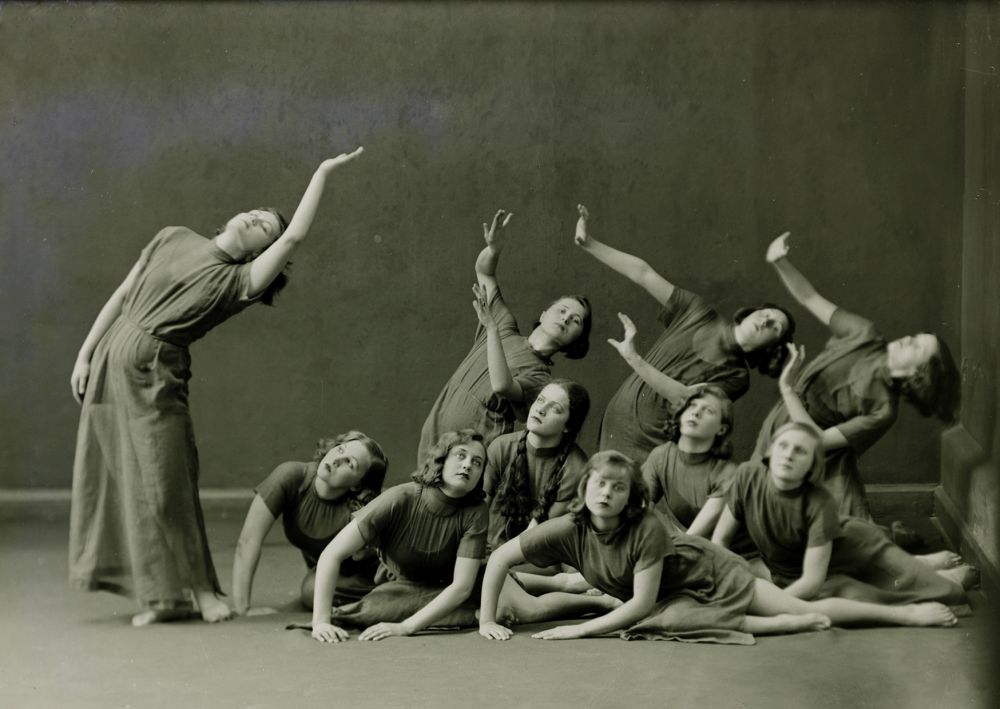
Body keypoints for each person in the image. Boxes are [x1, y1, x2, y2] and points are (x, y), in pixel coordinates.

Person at [68, 147, 365, 626]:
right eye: (257, 212)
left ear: (260, 251)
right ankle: (165, 598)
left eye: (266, 226)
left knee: (166, 487)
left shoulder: (239, 280)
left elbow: (295, 236)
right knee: (129, 482)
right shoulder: (172, 236)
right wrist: (85, 353)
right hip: (109, 362)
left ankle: (204, 591)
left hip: (155, 377)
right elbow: (123, 295)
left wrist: (322, 172)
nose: (256, 218)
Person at [478, 451, 959, 644]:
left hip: (708, 572)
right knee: (668, 621)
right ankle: (778, 625)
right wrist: (486, 620)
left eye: (618, 487)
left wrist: (577, 631)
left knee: (799, 605)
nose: (606, 493)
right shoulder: (565, 528)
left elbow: (639, 603)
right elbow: (498, 558)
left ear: (632, 497)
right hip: (669, 599)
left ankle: (906, 613)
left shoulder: (645, 528)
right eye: (599, 484)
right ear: (584, 488)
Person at [756, 232, 960, 518]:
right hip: (782, 427)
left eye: (916, 346)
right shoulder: (865, 334)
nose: (907, 339)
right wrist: (780, 261)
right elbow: (810, 297)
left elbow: (817, 441)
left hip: (817, 454)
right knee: (750, 499)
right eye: (914, 336)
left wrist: (788, 390)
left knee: (851, 529)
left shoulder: (883, 410)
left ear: (918, 374)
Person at [574, 204, 794, 464]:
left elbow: (685, 398)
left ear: (772, 348)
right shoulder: (697, 311)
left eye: (775, 327)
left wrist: (634, 358)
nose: (766, 320)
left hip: (651, 447)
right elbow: (643, 273)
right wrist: (589, 243)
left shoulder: (737, 377)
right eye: (766, 313)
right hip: (616, 423)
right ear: (750, 313)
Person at [713, 422, 974, 606]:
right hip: (793, 569)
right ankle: (921, 566)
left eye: (800, 451)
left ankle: (933, 575)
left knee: (881, 594)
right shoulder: (747, 475)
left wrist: (771, 606)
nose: (788, 455)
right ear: (770, 451)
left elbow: (811, 582)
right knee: (858, 589)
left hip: (852, 547)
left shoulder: (819, 503)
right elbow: (720, 540)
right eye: (783, 446)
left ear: (812, 465)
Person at [417, 209, 592, 465]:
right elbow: (484, 272)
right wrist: (493, 249)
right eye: (562, 310)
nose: (566, 318)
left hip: (473, 452)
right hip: (434, 432)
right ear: (544, 314)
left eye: (576, 320)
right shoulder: (504, 326)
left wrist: (491, 329)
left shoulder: (541, 378)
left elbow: (502, 386)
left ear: (575, 342)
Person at [310, 430, 489, 643]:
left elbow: (462, 586)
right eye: (460, 455)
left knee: (503, 599)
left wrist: (405, 627)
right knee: (372, 609)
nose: (467, 465)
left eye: (477, 462)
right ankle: (470, 614)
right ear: (441, 460)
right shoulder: (400, 497)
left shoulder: (477, 511)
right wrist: (320, 622)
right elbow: (332, 553)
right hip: (404, 587)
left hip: (458, 585)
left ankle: (490, 604)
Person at [230, 431, 388, 616]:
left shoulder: (357, 511)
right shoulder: (291, 476)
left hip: (373, 574)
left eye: (349, 463)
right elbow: (248, 540)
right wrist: (242, 608)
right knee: (312, 589)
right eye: (340, 449)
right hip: (334, 575)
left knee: (311, 589)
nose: (337, 460)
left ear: (357, 485)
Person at [484, 379, 591, 553]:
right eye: (540, 400)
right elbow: (478, 511)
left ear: (568, 426)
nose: (541, 409)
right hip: (485, 548)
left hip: (535, 555)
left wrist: (498, 560)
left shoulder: (576, 468)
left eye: (555, 409)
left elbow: (535, 535)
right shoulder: (501, 447)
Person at [641, 385, 738, 539]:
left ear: (721, 429)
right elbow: (639, 508)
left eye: (708, 410)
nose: (696, 413)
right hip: (689, 542)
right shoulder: (661, 456)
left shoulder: (727, 473)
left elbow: (693, 538)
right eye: (692, 405)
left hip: (734, 550)